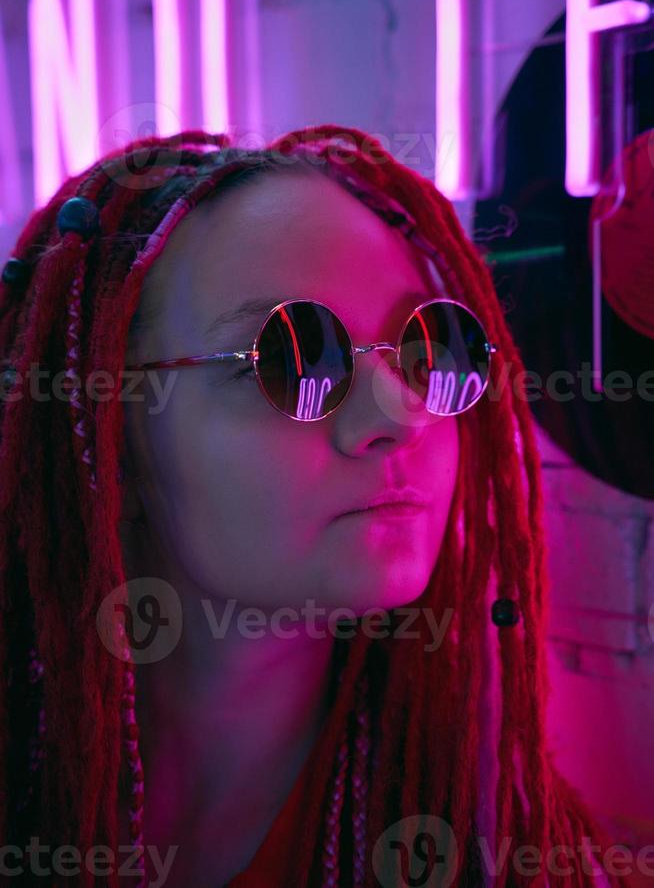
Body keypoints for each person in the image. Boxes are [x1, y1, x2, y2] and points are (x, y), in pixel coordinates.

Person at [0, 126, 626, 887]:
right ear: (110, 436)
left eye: (429, 349)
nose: (403, 415)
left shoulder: (486, 821)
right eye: (296, 357)